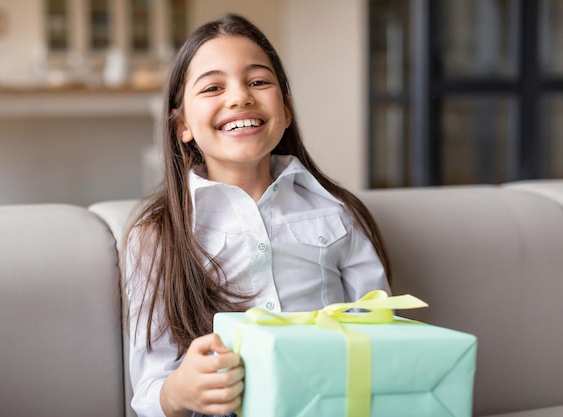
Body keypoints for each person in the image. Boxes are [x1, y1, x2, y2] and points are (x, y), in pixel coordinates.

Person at [122, 13, 392, 417]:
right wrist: (180, 391)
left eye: (258, 82)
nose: (239, 98)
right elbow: (148, 390)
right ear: (182, 126)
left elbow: (381, 336)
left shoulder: (337, 212)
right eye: (213, 87)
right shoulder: (158, 236)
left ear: (285, 111)